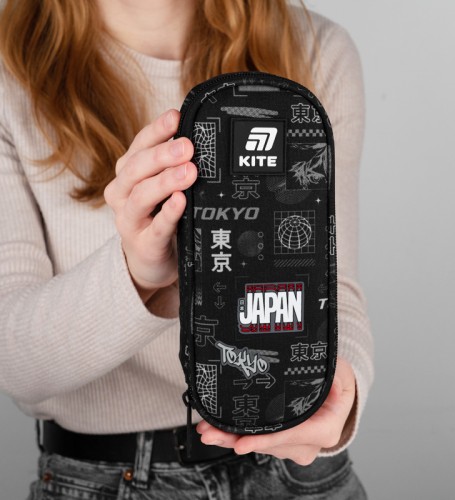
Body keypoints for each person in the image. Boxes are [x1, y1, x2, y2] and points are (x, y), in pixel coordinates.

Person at [0, 0, 374, 498]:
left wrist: (340, 396)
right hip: (108, 479)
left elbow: (330, 288)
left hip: (299, 473)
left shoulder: (314, 49)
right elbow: (12, 359)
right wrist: (137, 275)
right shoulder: (10, 72)